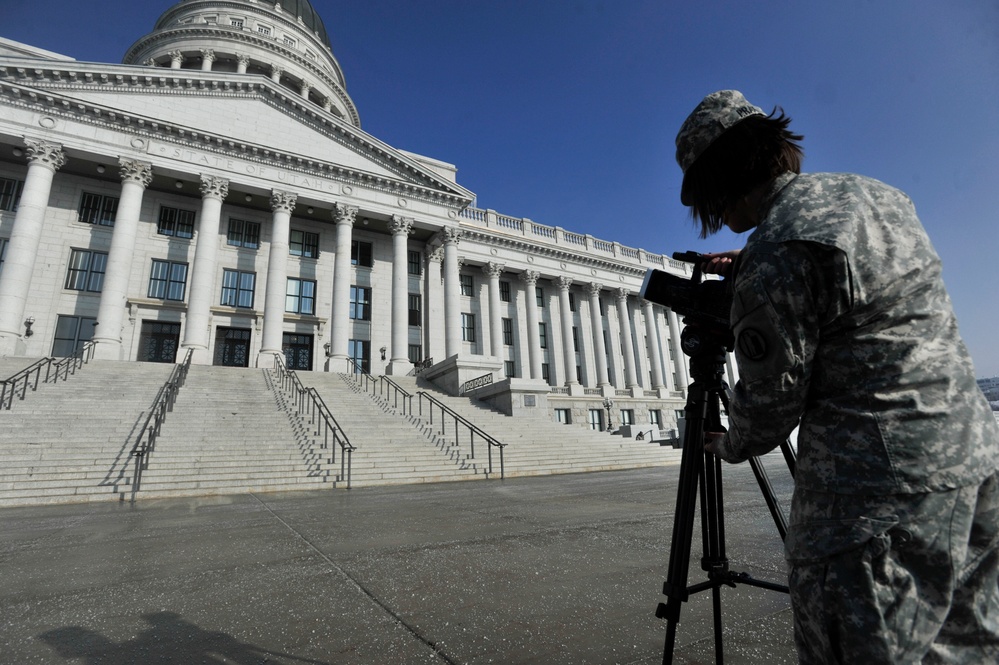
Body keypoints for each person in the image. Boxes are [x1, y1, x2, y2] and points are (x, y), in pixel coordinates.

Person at [674, 89, 999, 664]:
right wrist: (757, 263)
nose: (718, 220)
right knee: (969, 645)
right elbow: (852, 287)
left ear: (720, 181)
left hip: (873, 499)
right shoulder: (876, 195)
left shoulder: (776, 250)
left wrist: (729, 443)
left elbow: (771, 406)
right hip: (971, 457)